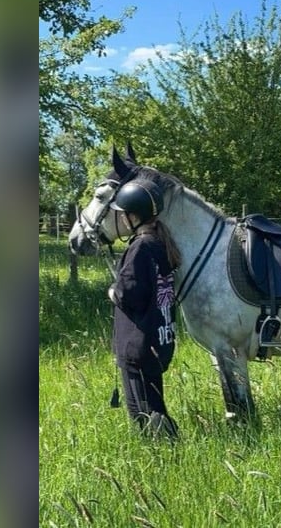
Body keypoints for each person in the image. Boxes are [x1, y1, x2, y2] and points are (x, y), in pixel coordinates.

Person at [107, 179, 182, 438]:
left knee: (142, 411)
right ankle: (169, 447)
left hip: (136, 344)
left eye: (124, 214)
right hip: (159, 338)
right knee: (155, 403)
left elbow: (129, 294)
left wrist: (112, 291)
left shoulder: (140, 247)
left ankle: (164, 452)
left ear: (133, 215)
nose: (123, 219)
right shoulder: (161, 244)